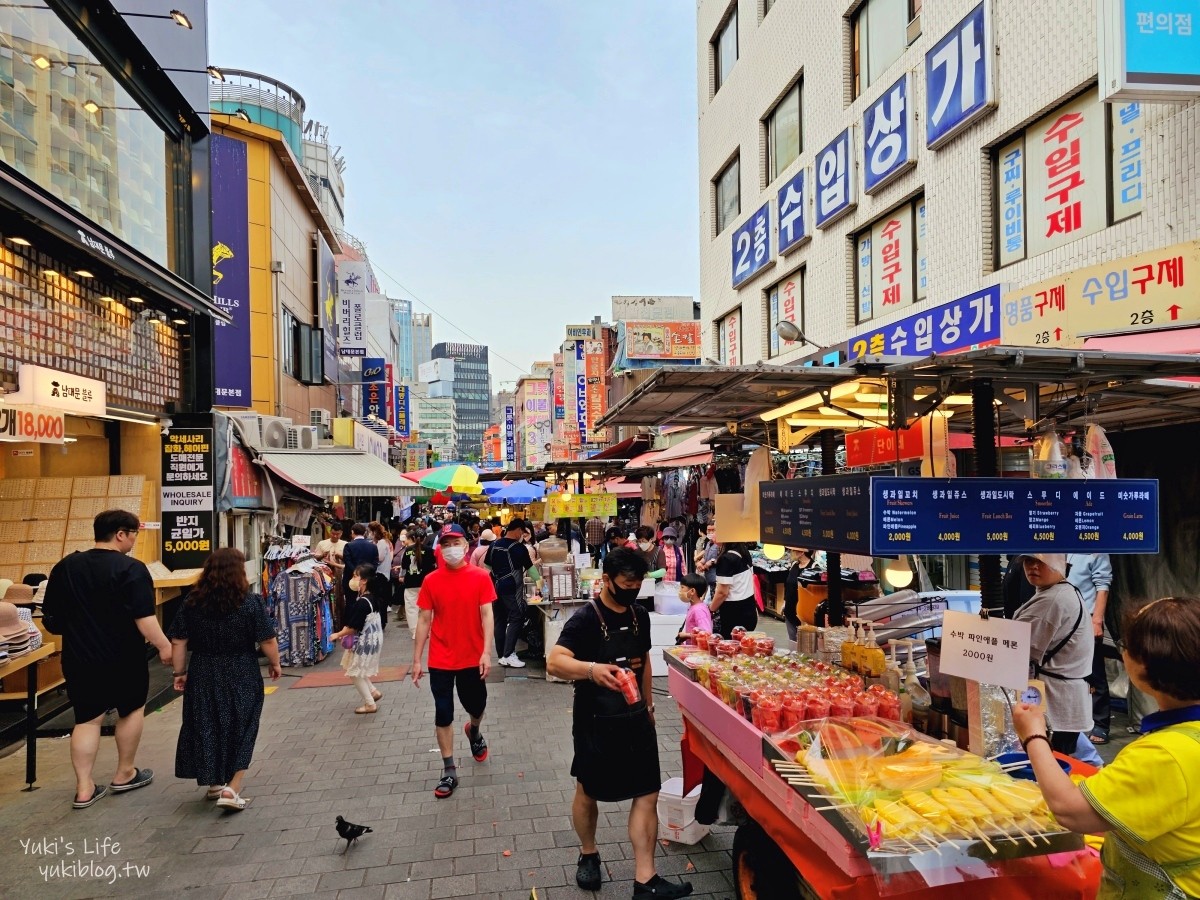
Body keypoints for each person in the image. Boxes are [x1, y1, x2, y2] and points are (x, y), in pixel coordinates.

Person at [1012, 596, 1200, 898]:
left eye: (1127, 644)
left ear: (1142, 667)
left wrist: (1033, 735)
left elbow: (1071, 812)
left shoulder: (1166, 754)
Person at [546, 549, 693, 900]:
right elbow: (555, 662)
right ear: (607, 581)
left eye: (637, 584)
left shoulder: (640, 615)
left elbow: (641, 666)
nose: (632, 590)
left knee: (647, 792)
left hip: (636, 718)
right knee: (588, 790)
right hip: (595, 721)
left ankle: (646, 879)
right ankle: (588, 853)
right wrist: (592, 670)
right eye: (626, 584)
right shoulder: (585, 619)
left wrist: (650, 707)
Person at [43, 509, 173, 809]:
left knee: (87, 719)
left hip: (79, 657)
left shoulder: (65, 567)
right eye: (133, 535)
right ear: (120, 534)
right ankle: (125, 772)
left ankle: (84, 787)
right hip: (124, 656)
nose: (133, 541)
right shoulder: (132, 569)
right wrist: (165, 647)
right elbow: (145, 618)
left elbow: (53, 619)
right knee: (130, 711)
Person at [169, 547, 281, 811]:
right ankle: (233, 787)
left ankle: (215, 783)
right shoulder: (249, 602)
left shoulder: (192, 602)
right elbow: (266, 638)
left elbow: (179, 640)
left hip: (204, 670)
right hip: (242, 669)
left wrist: (179, 673)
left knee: (207, 723)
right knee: (244, 724)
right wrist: (275, 663)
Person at [410, 524, 496, 799]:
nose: (450, 548)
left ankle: (475, 730)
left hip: (472, 656)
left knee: (477, 705)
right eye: (445, 543)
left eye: (455, 542)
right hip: (441, 658)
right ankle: (448, 769)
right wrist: (416, 660)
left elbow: (487, 616)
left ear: (465, 544)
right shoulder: (431, 580)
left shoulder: (481, 577)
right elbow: (424, 619)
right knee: (443, 711)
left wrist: (486, 652)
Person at [1012, 553, 1092, 753]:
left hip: (1055, 708)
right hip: (1067, 703)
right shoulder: (1062, 591)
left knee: (1049, 769)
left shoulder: (1052, 600)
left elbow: (1013, 648)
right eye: (1029, 561)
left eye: (1041, 561)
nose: (1033, 567)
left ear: (1061, 565)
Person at [1066, 552, 1114, 745]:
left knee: (1094, 673)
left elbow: (1103, 586)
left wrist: (1097, 621)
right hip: (1061, 616)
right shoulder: (1056, 543)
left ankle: (1101, 724)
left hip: (1086, 618)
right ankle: (1069, 721)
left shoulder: (1095, 549)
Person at [330, 564, 386, 714]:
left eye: (355, 576)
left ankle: (370, 703)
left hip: (365, 641)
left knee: (354, 672)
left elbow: (353, 627)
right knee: (357, 669)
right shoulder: (372, 597)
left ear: (364, 581)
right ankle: (373, 692)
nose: (352, 579)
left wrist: (337, 635)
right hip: (373, 639)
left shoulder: (362, 602)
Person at [487, 519, 534, 669]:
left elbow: (487, 565)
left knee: (499, 620)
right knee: (517, 617)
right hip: (512, 588)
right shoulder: (519, 548)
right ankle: (509, 654)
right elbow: (531, 569)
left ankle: (501, 655)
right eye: (522, 532)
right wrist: (540, 583)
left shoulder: (494, 544)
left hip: (496, 586)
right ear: (519, 530)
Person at [712, 541, 758, 638]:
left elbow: (722, 592)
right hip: (749, 608)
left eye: (716, 530)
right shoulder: (743, 551)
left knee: (730, 647)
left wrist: (710, 609)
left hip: (733, 613)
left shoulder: (726, 559)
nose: (713, 535)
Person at [782, 548, 814, 644]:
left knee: (805, 643)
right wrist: (785, 602)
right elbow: (787, 586)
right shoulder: (794, 566)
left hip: (804, 612)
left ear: (802, 552)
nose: (791, 553)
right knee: (792, 641)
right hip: (789, 609)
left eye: (794, 551)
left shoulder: (813, 567)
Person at [341, 524, 378, 599]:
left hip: (351, 579)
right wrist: (367, 574)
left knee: (351, 602)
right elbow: (375, 563)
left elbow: (348, 562)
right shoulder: (373, 546)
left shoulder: (349, 546)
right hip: (367, 580)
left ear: (352, 532)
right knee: (367, 600)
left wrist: (356, 574)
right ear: (364, 533)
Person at [676, 573, 712, 643]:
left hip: (698, 652)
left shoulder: (698, 610)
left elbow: (706, 634)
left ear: (692, 591)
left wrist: (686, 635)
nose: (680, 591)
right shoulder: (695, 607)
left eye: (682, 587)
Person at [694, 523, 720, 601]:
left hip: (717, 579)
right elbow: (705, 558)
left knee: (715, 601)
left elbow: (722, 558)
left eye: (713, 530)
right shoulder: (708, 543)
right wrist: (699, 563)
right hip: (709, 578)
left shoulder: (720, 544)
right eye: (709, 530)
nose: (711, 532)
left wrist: (711, 562)